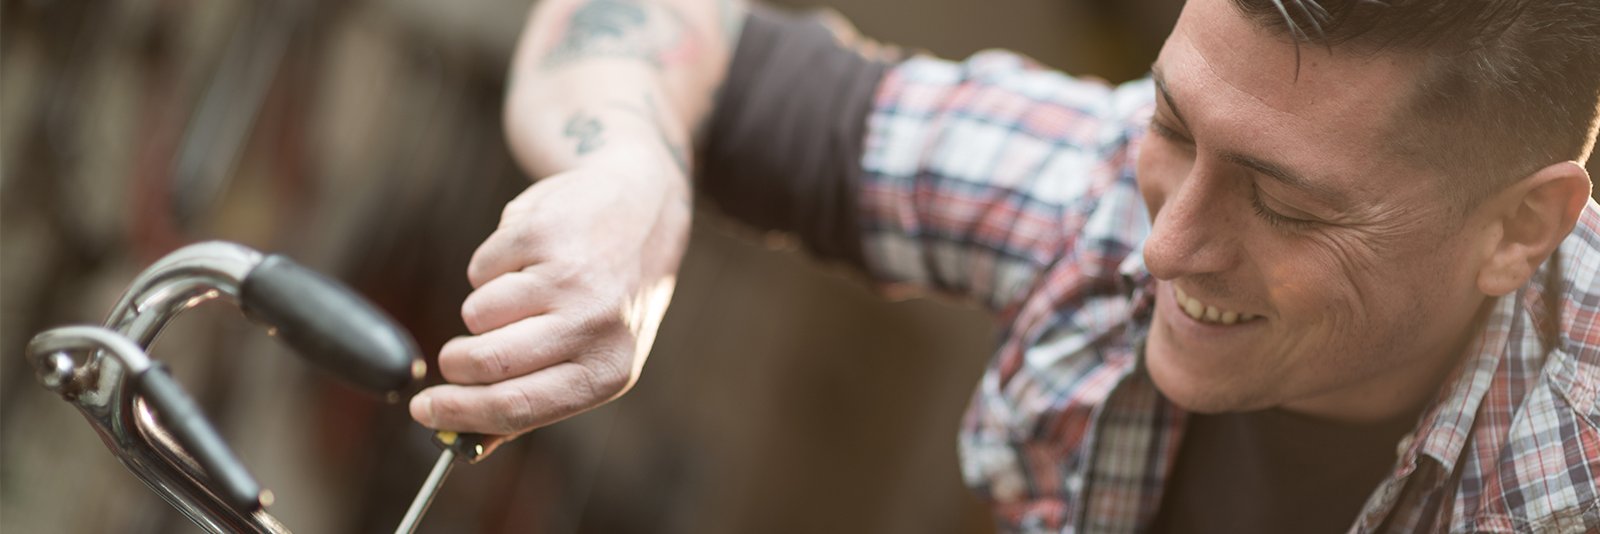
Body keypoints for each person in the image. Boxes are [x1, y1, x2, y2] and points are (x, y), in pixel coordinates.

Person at [407, 0, 1600, 530]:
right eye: (1172, 126)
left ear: (1519, 229)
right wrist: (631, 182)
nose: (1168, 243)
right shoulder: (1089, 191)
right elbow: (639, 21)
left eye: (1285, 204)